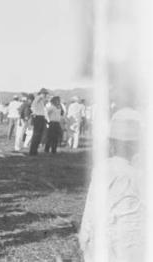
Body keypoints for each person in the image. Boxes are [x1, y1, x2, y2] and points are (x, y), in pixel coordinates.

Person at [79, 108, 145, 262]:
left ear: (111, 143)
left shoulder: (103, 167)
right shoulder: (140, 172)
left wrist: (85, 234)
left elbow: (91, 204)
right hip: (131, 242)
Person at [29, 88, 49, 155]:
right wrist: (34, 113)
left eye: (45, 94)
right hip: (38, 117)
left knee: (38, 135)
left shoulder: (41, 100)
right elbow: (32, 106)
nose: (45, 95)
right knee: (36, 134)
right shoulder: (38, 98)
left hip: (41, 117)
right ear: (41, 93)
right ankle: (33, 151)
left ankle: (34, 150)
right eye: (44, 94)